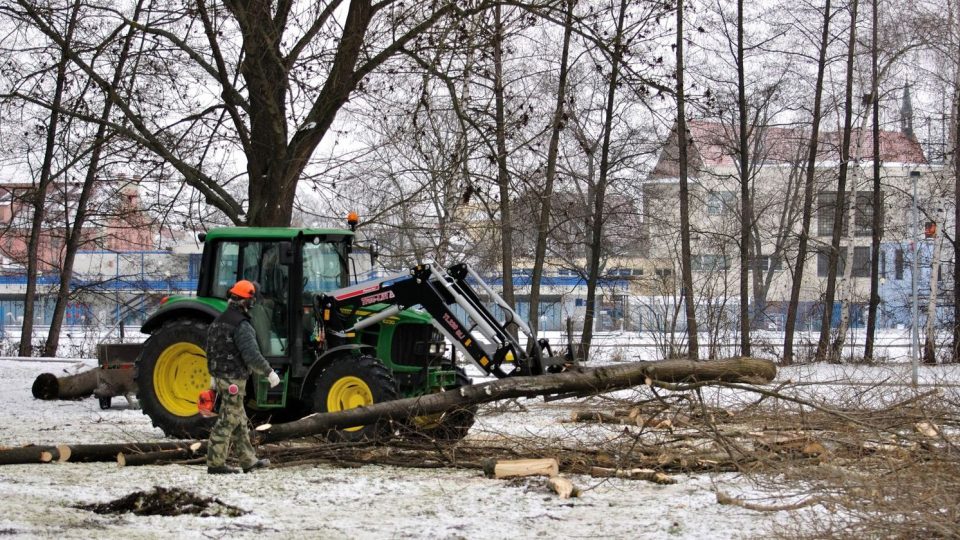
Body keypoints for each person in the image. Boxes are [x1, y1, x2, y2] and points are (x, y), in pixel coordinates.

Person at [205, 279, 281, 474]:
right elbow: (251, 355)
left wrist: (213, 375)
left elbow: (211, 349)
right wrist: (269, 372)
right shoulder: (241, 325)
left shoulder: (219, 320)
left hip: (222, 376)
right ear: (248, 301)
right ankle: (215, 463)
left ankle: (248, 461)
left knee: (239, 420)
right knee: (228, 419)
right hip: (233, 379)